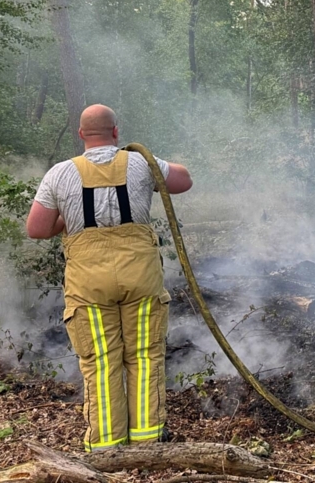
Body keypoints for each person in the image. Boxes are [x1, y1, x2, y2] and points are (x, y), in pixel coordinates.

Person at [26, 104, 192, 452]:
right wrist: (155, 161)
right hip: (141, 279)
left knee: (102, 363)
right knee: (144, 357)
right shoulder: (141, 164)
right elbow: (183, 180)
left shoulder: (59, 174)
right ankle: (147, 441)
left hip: (90, 286)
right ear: (116, 132)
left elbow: (37, 229)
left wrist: (68, 220)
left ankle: (106, 448)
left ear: (81, 134)